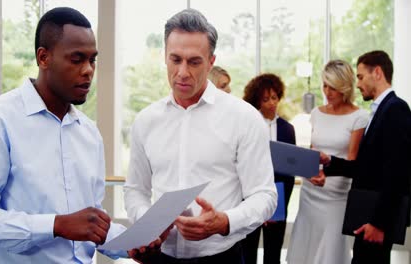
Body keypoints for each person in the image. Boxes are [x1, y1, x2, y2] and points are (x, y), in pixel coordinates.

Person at [0, 7, 157, 263]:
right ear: (43, 57)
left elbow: (91, 223)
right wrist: (56, 225)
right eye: (76, 59)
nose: (88, 70)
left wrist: (133, 245)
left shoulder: (89, 133)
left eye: (92, 60)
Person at [124, 8, 277, 264]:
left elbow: (265, 195)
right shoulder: (146, 120)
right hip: (159, 257)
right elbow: (135, 190)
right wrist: (148, 224)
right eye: (175, 59)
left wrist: (225, 222)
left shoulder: (244, 118)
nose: (183, 72)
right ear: (164, 56)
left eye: (194, 62)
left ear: (211, 61)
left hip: (221, 257)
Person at [311, 51, 411, 264]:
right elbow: (366, 167)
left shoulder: (397, 109)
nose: (357, 84)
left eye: (360, 76)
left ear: (377, 73)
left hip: (376, 219)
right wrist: (330, 162)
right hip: (367, 215)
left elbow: (397, 172)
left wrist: (379, 223)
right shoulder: (381, 109)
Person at [286, 60, 369, 264]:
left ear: (345, 87)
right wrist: (309, 172)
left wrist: (327, 174)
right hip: (311, 192)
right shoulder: (316, 113)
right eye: (324, 85)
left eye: (333, 87)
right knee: (307, 249)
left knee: (330, 252)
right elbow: (314, 152)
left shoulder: (359, 117)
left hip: (337, 195)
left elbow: (352, 161)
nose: (327, 92)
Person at [241, 73, 296, 264]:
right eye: (265, 99)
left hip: (279, 198)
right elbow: (244, 168)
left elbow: (289, 171)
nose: (271, 103)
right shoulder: (248, 125)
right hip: (251, 198)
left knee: (273, 254)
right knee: (248, 252)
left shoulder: (287, 129)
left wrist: (278, 207)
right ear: (257, 100)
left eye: (274, 97)